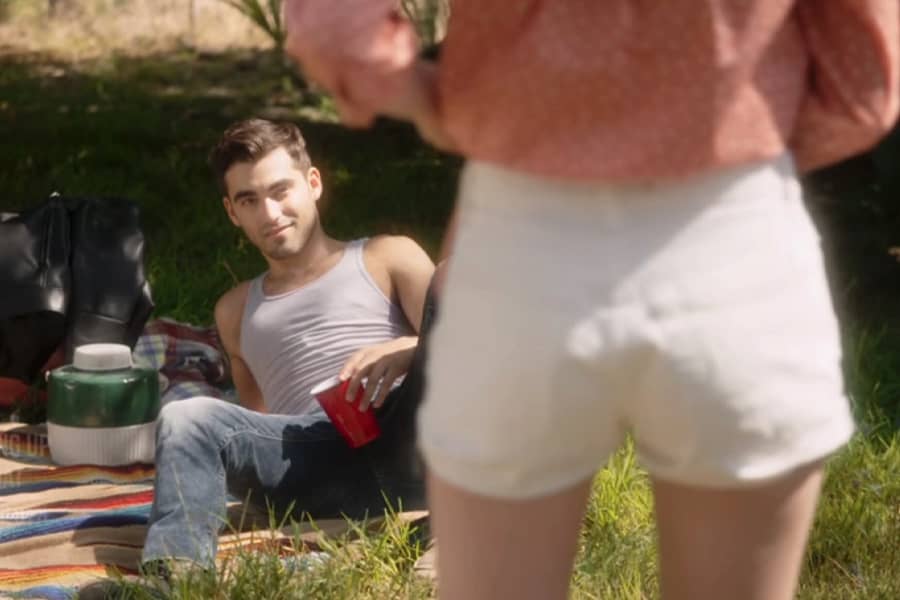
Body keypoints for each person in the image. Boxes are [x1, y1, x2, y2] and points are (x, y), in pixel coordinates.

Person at [284, 2, 900, 599]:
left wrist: (428, 97)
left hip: (521, 240)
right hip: (732, 236)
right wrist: (740, 137)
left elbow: (336, 28)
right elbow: (868, 78)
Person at [140, 117, 436, 570]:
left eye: (281, 191)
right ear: (232, 213)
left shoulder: (386, 255)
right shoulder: (234, 310)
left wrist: (408, 351)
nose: (271, 213)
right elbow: (254, 428)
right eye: (250, 200)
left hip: (409, 428)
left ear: (312, 183)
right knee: (187, 415)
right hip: (313, 458)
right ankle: (174, 576)